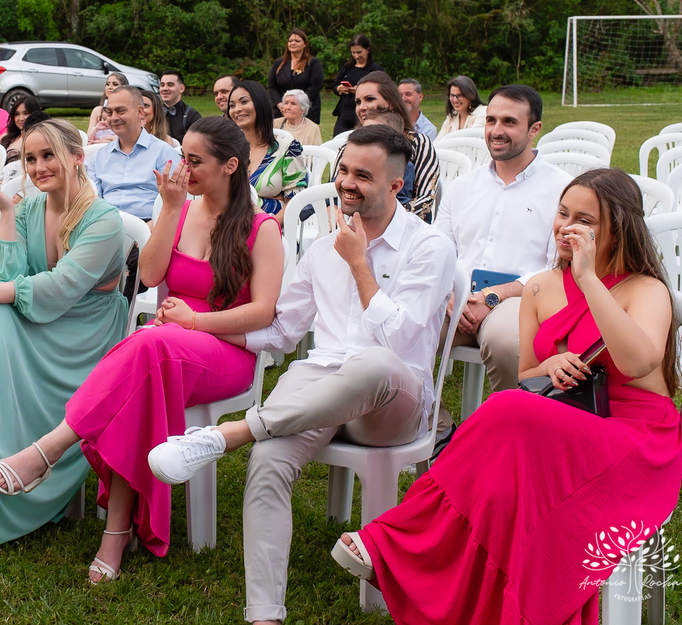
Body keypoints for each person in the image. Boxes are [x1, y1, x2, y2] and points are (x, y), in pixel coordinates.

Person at [335, 169, 682, 625]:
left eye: (585, 220)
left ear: (619, 228)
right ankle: (421, 561)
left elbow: (638, 362)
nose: (566, 227)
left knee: (505, 412)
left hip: (636, 441)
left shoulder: (646, 289)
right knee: (504, 470)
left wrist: (590, 280)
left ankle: (398, 542)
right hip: (566, 422)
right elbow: (527, 377)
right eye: (562, 213)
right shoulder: (540, 286)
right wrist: (553, 365)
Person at [146, 125, 457, 625]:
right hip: (319, 385)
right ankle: (263, 614)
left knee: (374, 362)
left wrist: (359, 265)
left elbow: (399, 342)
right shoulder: (321, 249)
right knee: (267, 461)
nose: (347, 183)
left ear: (396, 186)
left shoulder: (430, 247)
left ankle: (232, 433)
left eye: (363, 175)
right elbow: (283, 331)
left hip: (392, 399)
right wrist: (198, 325)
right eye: (344, 170)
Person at [0, 117, 283, 583]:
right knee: (146, 365)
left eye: (195, 160)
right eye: (183, 156)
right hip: (166, 348)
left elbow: (263, 312)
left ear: (230, 166)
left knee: (149, 343)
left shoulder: (262, 228)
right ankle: (116, 533)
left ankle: (50, 449)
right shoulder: (182, 210)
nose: (183, 167)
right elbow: (150, 272)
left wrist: (196, 321)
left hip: (226, 353)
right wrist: (168, 208)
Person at [0, 118, 129, 546]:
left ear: (77, 158)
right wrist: (6, 210)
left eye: (48, 156)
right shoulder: (29, 207)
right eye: (30, 158)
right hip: (37, 320)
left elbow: (61, 288)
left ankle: (14, 454)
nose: (39, 166)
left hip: (86, 334)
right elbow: (4, 273)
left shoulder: (104, 220)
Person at [432, 84, 573, 436]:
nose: (496, 130)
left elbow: (559, 265)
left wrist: (493, 296)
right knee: (394, 334)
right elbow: (439, 250)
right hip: (457, 300)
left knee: (508, 343)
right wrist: (450, 295)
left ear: (534, 128)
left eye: (509, 121)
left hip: (524, 298)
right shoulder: (463, 186)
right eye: (491, 120)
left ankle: (516, 435)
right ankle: (438, 431)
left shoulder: (563, 189)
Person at [352, 72, 438, 223]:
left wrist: (384, 221)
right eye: (358, 102)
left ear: (390, 102)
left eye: (369, 99)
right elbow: (332, 195)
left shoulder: (419, 143)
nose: (362, 107)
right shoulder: (350, 146)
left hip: (407, 227)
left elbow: (426, 199)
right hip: (355, 225)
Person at [86, 85, 181, 222]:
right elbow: (93, 200)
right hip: (106, 225)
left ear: (140, 112)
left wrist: (152, 227)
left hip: (150, 225)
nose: (114, 117)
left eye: (121, 111)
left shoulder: (164, 153)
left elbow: (174, 203)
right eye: (109, 112)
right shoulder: (98, 156)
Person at [229, 81, 306, 225]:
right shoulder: (228, 149)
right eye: (232, 105)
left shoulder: (288, 148)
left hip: (274, 231)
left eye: (244, 102)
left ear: (260, 103)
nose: (237, 109)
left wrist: (267, 230)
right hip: (231, 228)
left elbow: (296, 201)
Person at [330, 34, 384, 137]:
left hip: (366, 115)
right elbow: (335, 86)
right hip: (344, 114)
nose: (356, 56)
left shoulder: (375, 70)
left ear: (367, 50)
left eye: (359, 52)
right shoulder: (347, 68)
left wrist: (360, 92)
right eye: (353, 53)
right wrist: (339, 88)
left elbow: (382, 91)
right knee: (337, 141)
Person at [267, 29, 325, 122]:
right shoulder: (279, 64)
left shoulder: (313, 63)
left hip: (306, 110)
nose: (293, 43)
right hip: (281, 111)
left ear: (305, 44)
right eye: (290, 41)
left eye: (297, 41)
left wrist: (297, 104)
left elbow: (316, 86)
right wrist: (281, 104)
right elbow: (272, 86)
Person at [436, 75, 486, 140]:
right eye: (452, 95)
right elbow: (437, 142)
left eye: (459, 96)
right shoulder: (451, 117)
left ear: (470, 95)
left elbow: (471, 142)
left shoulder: (482, 113)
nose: (455, 100)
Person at [159, 70, 201, 143]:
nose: (165, 88)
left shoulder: (192, 116)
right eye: (162, 85)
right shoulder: (154, 113)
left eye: (170, 85)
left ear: (182, 88)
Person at [0, 96, 44, 164]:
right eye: (17, 114)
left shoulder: (43, 138)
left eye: (26, 113)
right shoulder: (5, 138)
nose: (21, 118)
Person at [87, 72, 128, 143]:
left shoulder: (127, 110)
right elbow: (88, 138)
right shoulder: (98, 110)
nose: (110, 87)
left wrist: (108, 140)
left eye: (115, 84)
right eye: (107, 84)